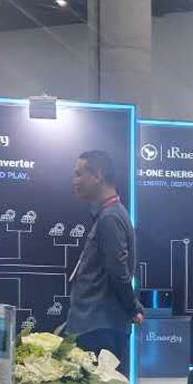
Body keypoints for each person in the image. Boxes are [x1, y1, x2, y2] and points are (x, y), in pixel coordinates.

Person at [65, 150, 143, 368]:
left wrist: (132, 308)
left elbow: (118, 272)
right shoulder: (109, 215)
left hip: (98, 327)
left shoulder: (110, 218)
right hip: (96, 324)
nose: (74, 181)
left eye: (79, 174)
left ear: (98, 175)